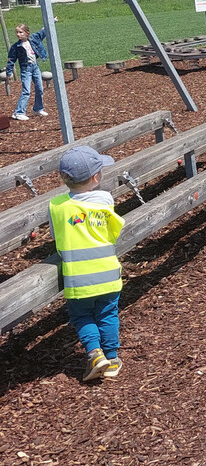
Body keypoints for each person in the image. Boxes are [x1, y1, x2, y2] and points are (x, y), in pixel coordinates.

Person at [48, 146, 124, 382]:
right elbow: (114, 231)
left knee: (82, 317)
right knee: (108, 314)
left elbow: (55, 235)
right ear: (95, 177)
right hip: (108, 273)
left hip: (78, 277)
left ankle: (94, 353)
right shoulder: (104, 201)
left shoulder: (57, 206)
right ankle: (111, 359)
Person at [6, 22, 50, 121]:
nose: (18, 34)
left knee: (40, 88)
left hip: (35, 67)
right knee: (26, 91)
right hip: (26, 70)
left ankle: (38, 108)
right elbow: (11, 60)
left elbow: (43, 32)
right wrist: (9, 72)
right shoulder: (16, 47)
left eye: (21, 32)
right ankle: (19, 112)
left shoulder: (33, 39)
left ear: (27, 32)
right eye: (17, 32)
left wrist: (52, 21)